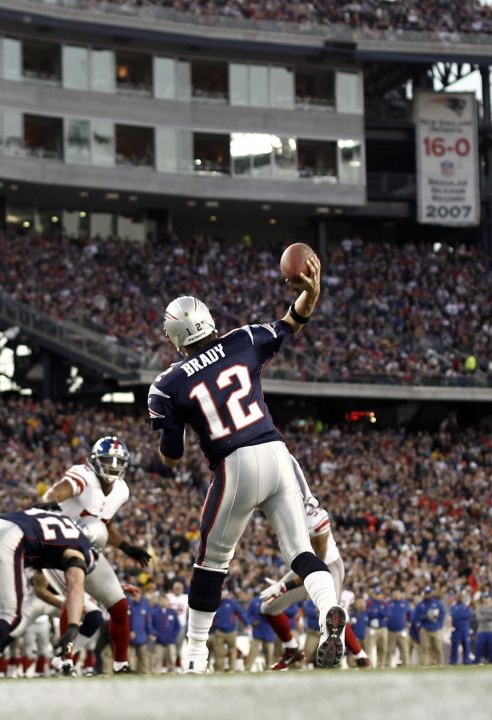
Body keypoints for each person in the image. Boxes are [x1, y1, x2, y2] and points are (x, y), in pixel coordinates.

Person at [147, 255, 346, 673]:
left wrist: (174, 430)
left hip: (235, 464)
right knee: (300, 552)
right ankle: (329, 611)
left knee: (211, 561)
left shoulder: (167, 385)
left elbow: (172, 455)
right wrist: (312, 292)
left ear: (175, 336)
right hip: (276, 453)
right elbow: (293, 320)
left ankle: (195, 656)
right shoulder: (242, 340)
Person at [41, 435, 153, 674]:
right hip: (60, 548)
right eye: (107, 460)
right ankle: (65, 661)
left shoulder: (121, 490)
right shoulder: (84, 475)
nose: (112, 466)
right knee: (75, 601)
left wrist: (126, 547)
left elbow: (105, 526)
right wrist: (52, 502)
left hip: (89, 550)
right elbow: (61, 490)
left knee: (119, 605)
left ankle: (121, 665)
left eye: (117, 461)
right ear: (94, 461)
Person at [0, 508, 96, 678]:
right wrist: (72, 627)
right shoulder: (81, 547)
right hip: (9, 539)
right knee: (8, 615)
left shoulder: (54, 520)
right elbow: (74, 586)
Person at [259, 496, 368, 670]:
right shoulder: (284, 517)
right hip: (304, 564)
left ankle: (361, 657)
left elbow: (317, 567)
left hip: (327, 567)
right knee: (268, 607)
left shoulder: (314, 520)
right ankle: (291, 649)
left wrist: (284, 586)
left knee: (330, 612)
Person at [210, 592, 249, 672]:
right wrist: (211, 631)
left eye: (224, 593)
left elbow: (240, 614)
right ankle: (220, 670)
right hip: (219, 632)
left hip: (231, 632)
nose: (223, 595)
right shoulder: (215, 604)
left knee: (232, 651)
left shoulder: (232, 603)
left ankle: (232, 668)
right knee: (219, 652)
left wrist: (247, 623)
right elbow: (210, 618)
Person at [150, 590, 182, 672]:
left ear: (168, 601)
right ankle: (156, 674)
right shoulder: (155, 613)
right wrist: (155, 634)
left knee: (171, 659)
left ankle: (171, 674)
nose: (164, 602)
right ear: (159, 601)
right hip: (159, 642)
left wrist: (173, 636)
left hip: (170, 641)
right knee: (157, 660)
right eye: (162, 600)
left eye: (165, 600)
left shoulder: (173, 612)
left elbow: (177, 626)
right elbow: (151, 625)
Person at [414, 588, 447, 666]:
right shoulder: (420, 604)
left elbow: (442, 614)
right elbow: (416, 617)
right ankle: (426, 664)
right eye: (426, 593)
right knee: (425, 647)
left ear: (431, 593)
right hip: (425, 628)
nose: (427, 595)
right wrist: (425, 617)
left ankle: (439, 663)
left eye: (429, 593)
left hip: (436, 628)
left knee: (438, 647)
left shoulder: (438, 603)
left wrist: (438, 622)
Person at [384, 588, 413, 667]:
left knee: (404, 649)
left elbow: (410, 614)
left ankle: (406, 665)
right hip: (391, 631)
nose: (396, 595)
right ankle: (387, 664)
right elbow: (385, 614)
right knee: (389, 649)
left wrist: (409, 622)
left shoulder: (406, 603)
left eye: (398, 593)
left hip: (402, 630)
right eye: (394, 594)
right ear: (392, 595)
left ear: (401, 594)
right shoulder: (388, 603)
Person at [128, 591, 153, 672]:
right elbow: (128, 620)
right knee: (131, 656)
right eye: (133, 595)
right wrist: (130, 630)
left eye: (136, 594)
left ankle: (145, 674)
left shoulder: (145, 605)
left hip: (142, 636)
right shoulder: (129, 605)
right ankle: (132, 673)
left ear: (140, 595)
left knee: (144, 657)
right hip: (131, 636)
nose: (134, 596)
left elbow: (148, 620)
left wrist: (150, 632)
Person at [473, 594, 492, 664]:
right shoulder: (479, 607)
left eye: (488, 598)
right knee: (479, 648)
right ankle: (478, 662)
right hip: (481, 631)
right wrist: (489, 617)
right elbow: (479, 618)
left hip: (491, 631)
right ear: (483, 599)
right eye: (485, 598)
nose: (487, 600)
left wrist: (484, 616)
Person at [449, 592, 473, 665]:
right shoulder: (453, 607)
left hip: (465, 629)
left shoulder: (466, 607)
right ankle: (453, 661)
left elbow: (469, 614)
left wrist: (459, 615)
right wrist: (462, 615)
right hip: (456, 629)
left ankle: (466, 661)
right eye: (458, 597)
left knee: (466, 646)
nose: (459, 598)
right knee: (454, 647)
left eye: (460, 597)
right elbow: (454, 615)